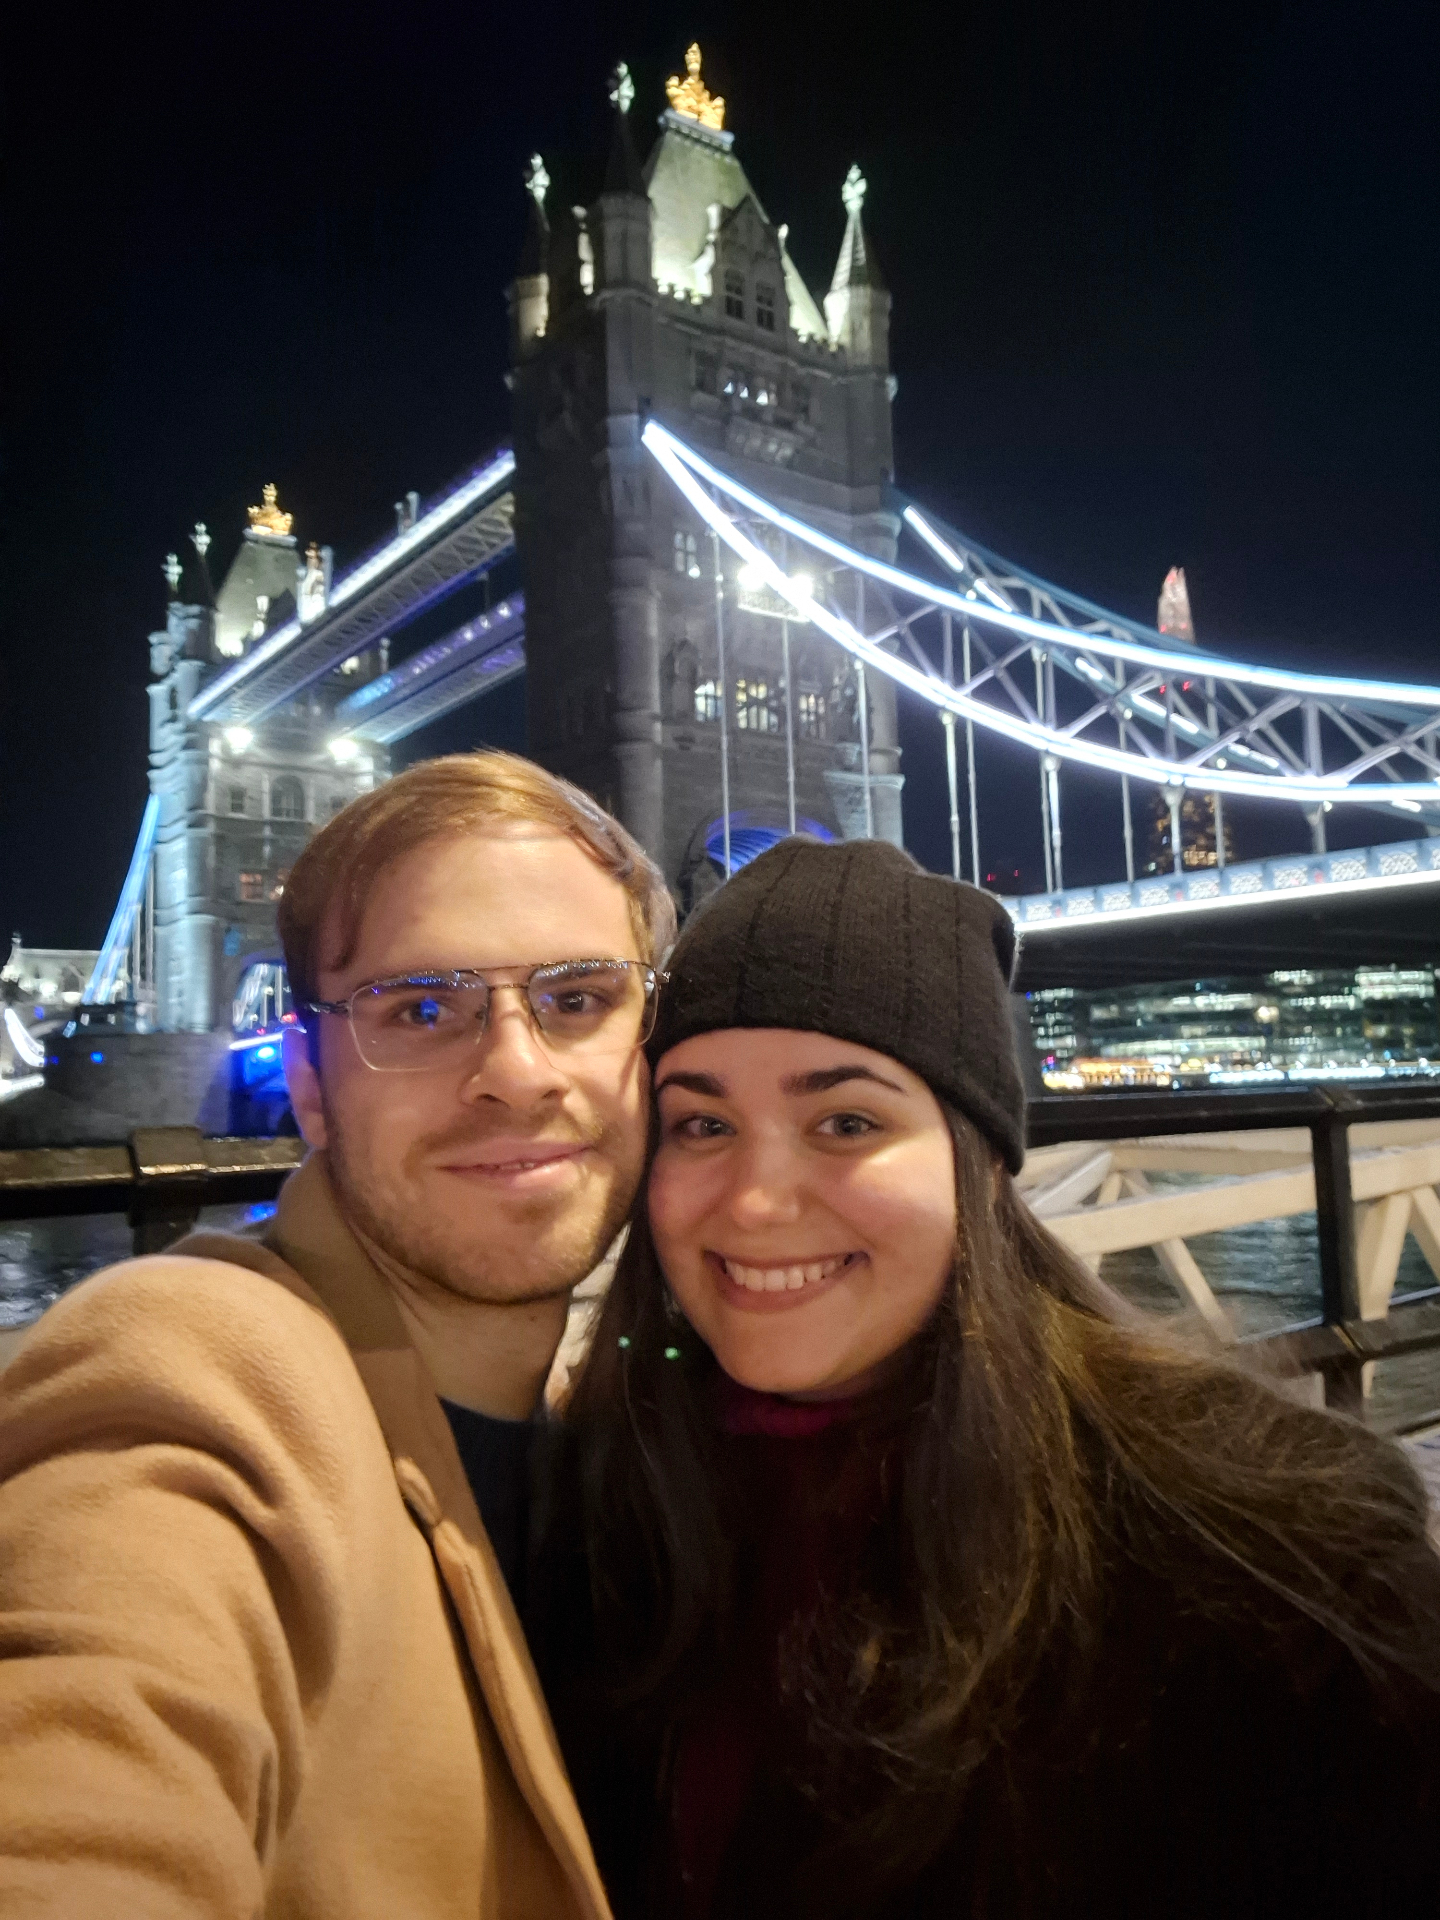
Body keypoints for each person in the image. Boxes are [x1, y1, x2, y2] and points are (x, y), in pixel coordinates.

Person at [545, 835, 1440, 1920]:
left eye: (847, 1121)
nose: (756, 1201)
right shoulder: (593, 1510)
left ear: (976, 1160)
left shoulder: (1279, 1552)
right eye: (701, 1124)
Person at [0, 751, 674, 1918]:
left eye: (576, 999)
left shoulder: (635, 1444)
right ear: (308, 1086)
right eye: (420, 1009)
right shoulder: (190, 1374)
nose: (516, 1073)